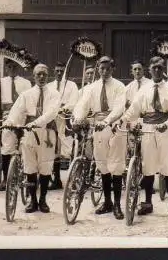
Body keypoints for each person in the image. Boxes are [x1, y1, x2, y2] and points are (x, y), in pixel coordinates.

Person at [120, 56, 168, 217]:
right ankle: (148, 203)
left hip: (165, 130)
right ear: (150, 70)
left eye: (160, 68)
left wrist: (166, 124)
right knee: (148, 167)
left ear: (163, 70)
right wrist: (123, 119)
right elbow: (134, 109)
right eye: (154, 68)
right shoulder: (143, 90)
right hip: (147, 129)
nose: (157, 70)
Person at [73, 56, 126, 220]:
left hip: (115, 125)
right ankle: (108, 202)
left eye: (107, 68)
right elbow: (83, 105)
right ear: (98, 69)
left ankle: (117, 204)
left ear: (112, 69)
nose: (104, 71)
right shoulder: (92, 88)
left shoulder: (119, 86)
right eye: (101, 68)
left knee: (116, 165)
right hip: (98, 126)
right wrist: (78, 119)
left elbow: (119, 107)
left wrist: (108, 120)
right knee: (102, 164)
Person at [4, 64, 60, 213]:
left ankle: (43, 200)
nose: (41, 77)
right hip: (29, 133)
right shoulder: (26, 94)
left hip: (46, 132)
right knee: (30, 167)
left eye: (44, 74)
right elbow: (16, 110)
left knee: (45, 167)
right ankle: (32, 201)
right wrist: (10, 121)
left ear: (48, 76)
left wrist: (36, 123)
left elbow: (51, 113)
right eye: (38, 74)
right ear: (33, 76)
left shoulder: (54, 94)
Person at [0, 59, 32, 191]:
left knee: (24, 145)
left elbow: (29, 101)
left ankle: (24, 176)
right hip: (7, 116)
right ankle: (6, 178)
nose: (12, 69)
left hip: (21, 115)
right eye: (9, 66)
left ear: (18, 67)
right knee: (7, 147)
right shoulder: (1, 82)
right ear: (6, 68)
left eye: (14, 66)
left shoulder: (25, 83)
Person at [47, 62, 79, 190]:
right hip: (53, 120)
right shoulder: (49, 86)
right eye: (57, 71)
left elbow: (73, 101)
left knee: (69, 149)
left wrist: (63, 108)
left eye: (61, 71)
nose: (59, 73)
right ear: (53, 72)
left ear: (65, 71)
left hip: (66, 120)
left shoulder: (71, 85)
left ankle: (73, 180)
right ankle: (57, 179)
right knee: (54, 149)